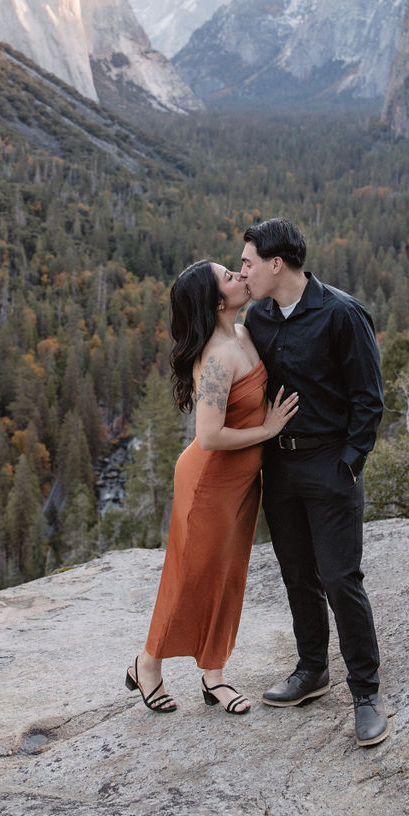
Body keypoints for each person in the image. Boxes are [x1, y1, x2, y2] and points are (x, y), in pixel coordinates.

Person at [125, 260, 298, 715]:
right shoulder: (218, 357)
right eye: (230, 276)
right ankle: (147, 664)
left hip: (243, 480)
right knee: (192, 577)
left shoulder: (242, 335)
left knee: (228, 575)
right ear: (217, 301)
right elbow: (209, 437)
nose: (241, 277)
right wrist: (268, 430)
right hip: (209, 481)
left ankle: (214, 676)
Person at [240, 219, 388, 747]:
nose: (244, 271)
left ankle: (365, 693)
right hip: (277, 470)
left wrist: (349, 462)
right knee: (297, 574)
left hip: (330, 466)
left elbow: (369, 397)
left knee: (340, 577)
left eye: (248, 263)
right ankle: (311, 671)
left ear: (276, 264)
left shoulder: (342, 313)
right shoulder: (257, 316)